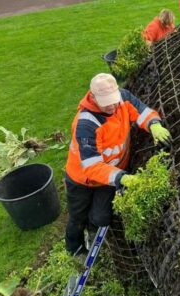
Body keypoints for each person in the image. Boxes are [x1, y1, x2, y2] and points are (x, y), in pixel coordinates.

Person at [64, 73, 172, 255]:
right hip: (81, 179)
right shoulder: (86, 124)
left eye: (114, 100)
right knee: (77, 216)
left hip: (111, 176)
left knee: (101, 217)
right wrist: (122, 178)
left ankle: (93, 232)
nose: (112, 106)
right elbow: (92, 167)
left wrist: (154, 124)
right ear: (93, 97)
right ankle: (75, 249)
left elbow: (142, 112)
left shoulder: (122, 99)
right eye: (106, 103)